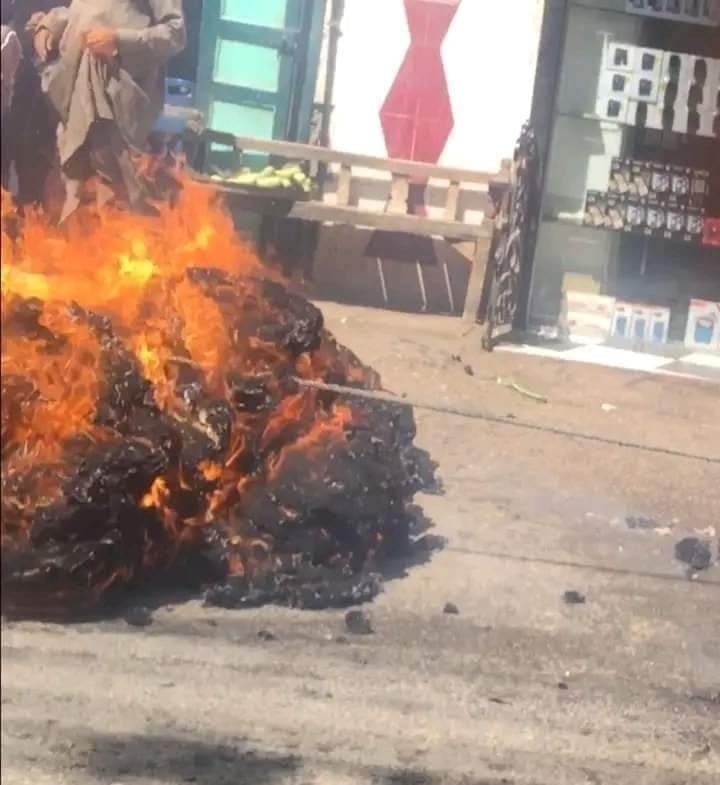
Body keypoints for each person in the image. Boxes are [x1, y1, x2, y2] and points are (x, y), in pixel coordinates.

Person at [28, 0, 185, 221]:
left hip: (120, 103)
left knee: (117, 197)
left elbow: (175, 34)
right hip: (76, 98)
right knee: (74, 192)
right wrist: (51, 25)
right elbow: (85, 13)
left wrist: (119, 40)